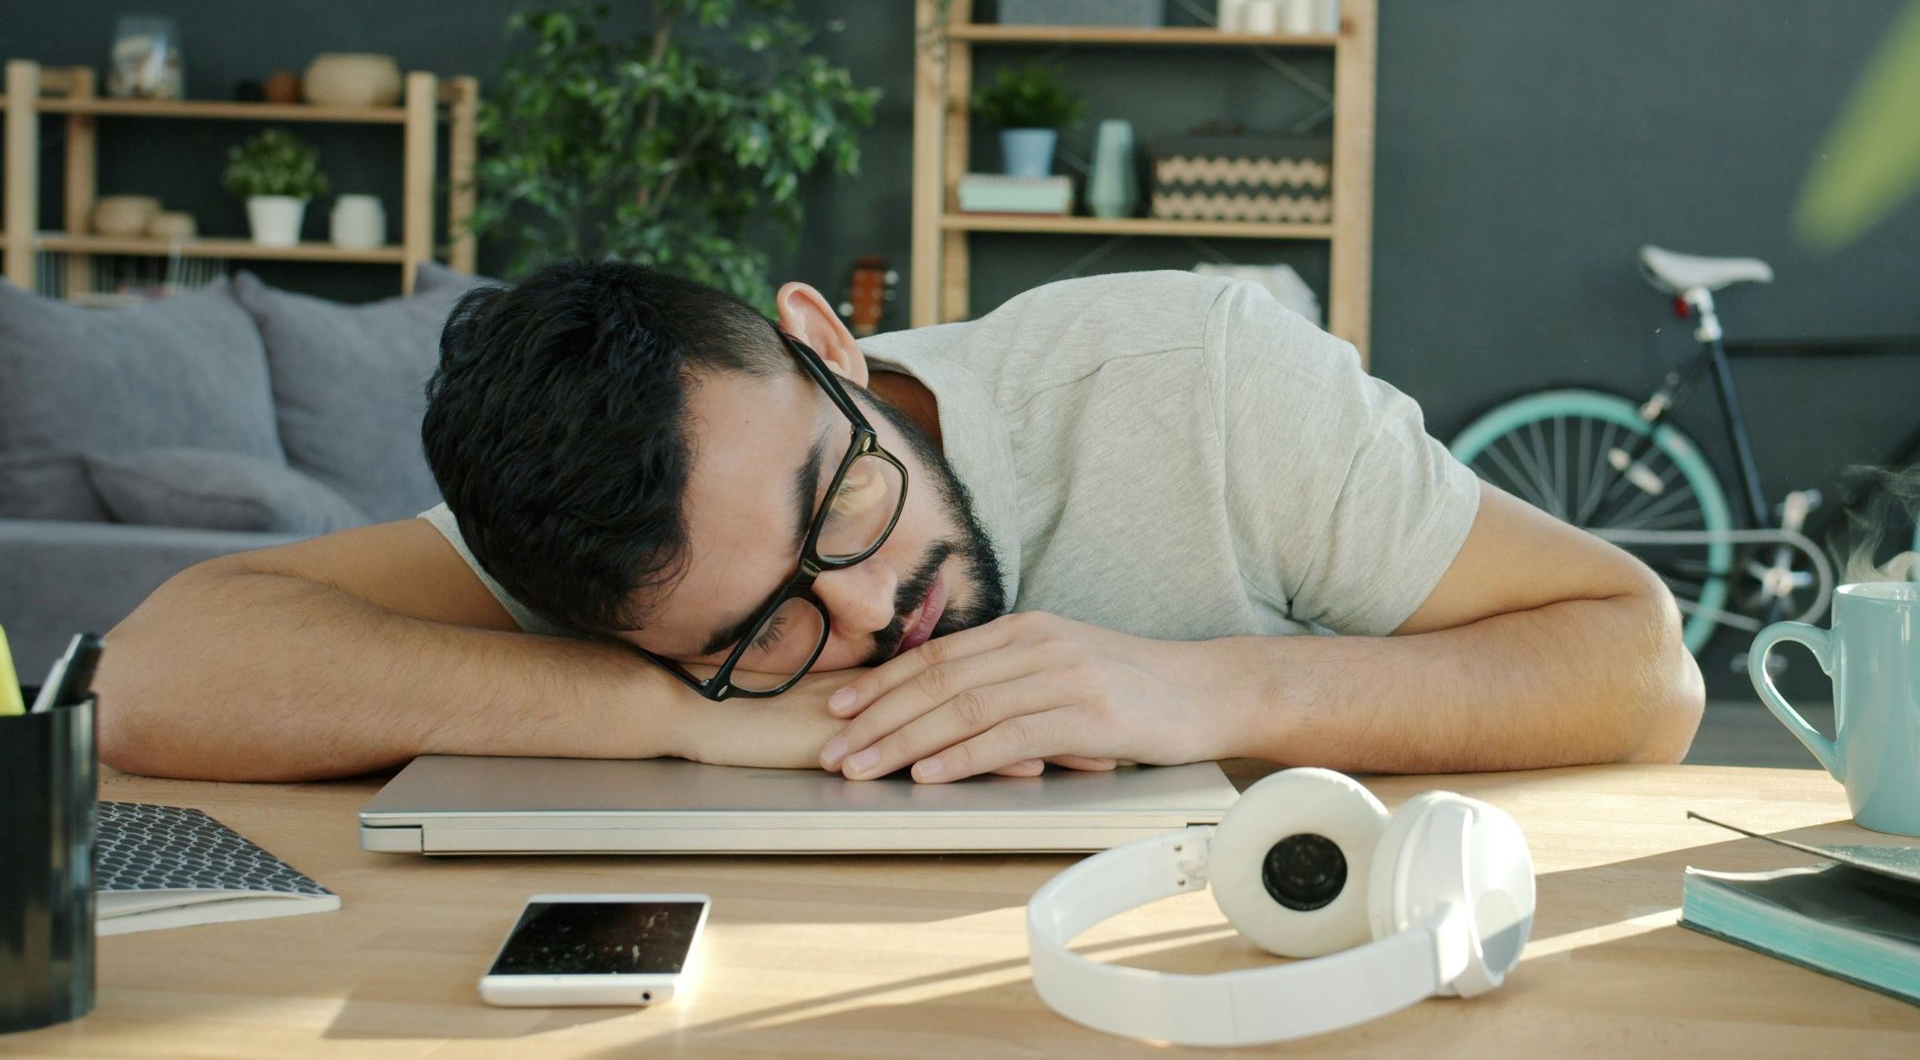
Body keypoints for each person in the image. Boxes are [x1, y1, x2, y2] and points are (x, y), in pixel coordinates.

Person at [98, 263, 1703, 782]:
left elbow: (1643, 667)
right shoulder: (616, 546)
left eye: (837, 500)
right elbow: (160, 667)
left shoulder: (1200, 379)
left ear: (827, 345)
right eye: (756, 636)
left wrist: (1220, 689)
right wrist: (682, 720)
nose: (867, 620)